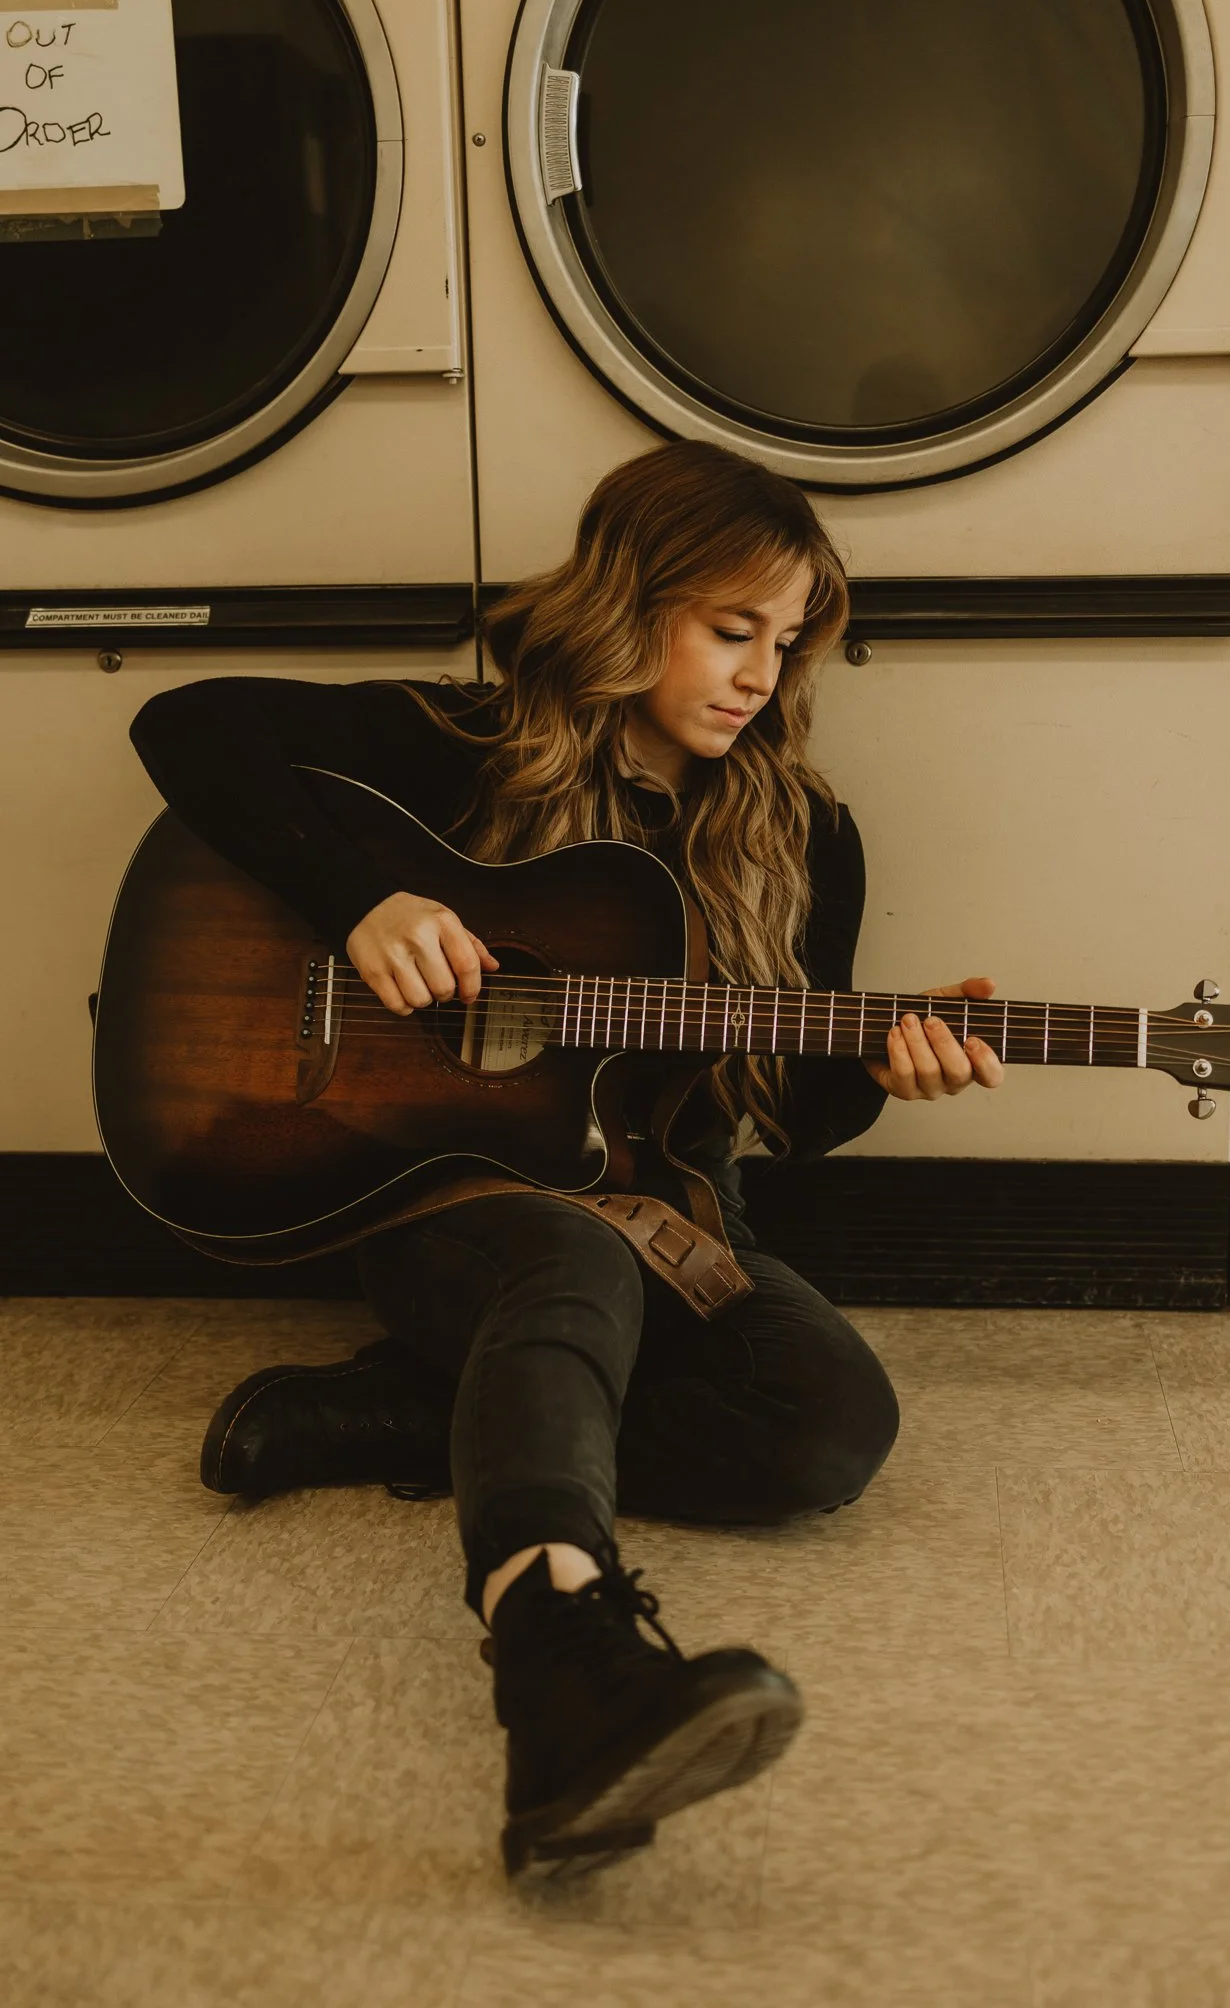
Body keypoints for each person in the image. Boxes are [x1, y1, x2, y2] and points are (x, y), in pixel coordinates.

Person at [128, 440, 1004, 1881]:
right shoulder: (461, 746)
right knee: (566, 1250)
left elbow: (802, 1116)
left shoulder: (808, 833)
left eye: (786, 647)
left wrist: (880, 1069)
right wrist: (360, 900)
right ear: (631, 599)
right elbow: (187, 720)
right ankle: (562, 1652)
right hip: (443, 1197)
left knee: (830, 1423)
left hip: (663, 1209)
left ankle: (407, 1415)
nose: (761, 679)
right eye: (733, 630)